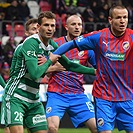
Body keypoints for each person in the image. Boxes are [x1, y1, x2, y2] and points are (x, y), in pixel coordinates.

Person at [1, 11, 96, 133]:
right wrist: (50, 61)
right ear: (39, 27)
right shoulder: (30, 43)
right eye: (46, 25)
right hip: (16, 96)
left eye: (52, 25)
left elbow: (70, 65)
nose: (50, 29)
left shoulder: (52, 45)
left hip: (33, 98)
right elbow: (35, 73)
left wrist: (94, 71)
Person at [53, 5, 133, 133]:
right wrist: (53, 56)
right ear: (110, 20)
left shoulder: (132, 37)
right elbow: (71, 44)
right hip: (103, 96)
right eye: (118, 18)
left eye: (125, 17)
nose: (122, 21)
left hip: (127, 97)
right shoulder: (98, 37)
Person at [46, 14, 97, 133]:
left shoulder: (87, 48)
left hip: (78, 95)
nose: (77, 27)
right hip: (56, 94)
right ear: (66, 27)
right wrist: (53, 68)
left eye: (79, 24)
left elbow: (98, 69)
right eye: (73, 24)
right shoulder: (55, 45)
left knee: (97, 128)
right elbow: (39, 69)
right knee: (52, 128)